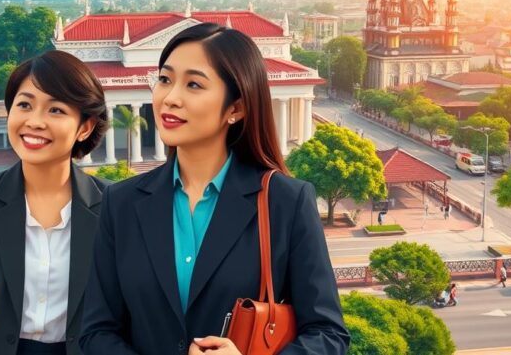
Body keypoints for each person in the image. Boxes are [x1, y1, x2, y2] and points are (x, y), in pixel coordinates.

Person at [80, 23, 350, 355]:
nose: (170, 98)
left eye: (193, 84)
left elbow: (328, 334)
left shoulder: (286, 202)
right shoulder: (121, 202)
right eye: (165, 79)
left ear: (235, 108)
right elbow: (96, 331)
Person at [0, 52, 109, 355]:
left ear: (85, 127)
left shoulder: (113, 207)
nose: (34, 122)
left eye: (55, 110)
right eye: (25, 105)